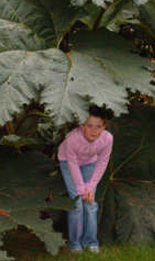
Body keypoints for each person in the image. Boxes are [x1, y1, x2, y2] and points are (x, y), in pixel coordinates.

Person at [58, 108, 113, 254]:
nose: (94, 131)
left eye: (98, 126)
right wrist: (81, 189)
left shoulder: (107, 138)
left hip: (90, 163)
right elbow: (72, 164)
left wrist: (91, 186)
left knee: (90, 203)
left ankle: (91, 242)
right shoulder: (72, 139)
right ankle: (75, 243)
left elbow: (102, 162)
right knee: (77, 204)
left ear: (104, 127)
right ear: (82, 126)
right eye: (89, 126)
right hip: (68, 162)